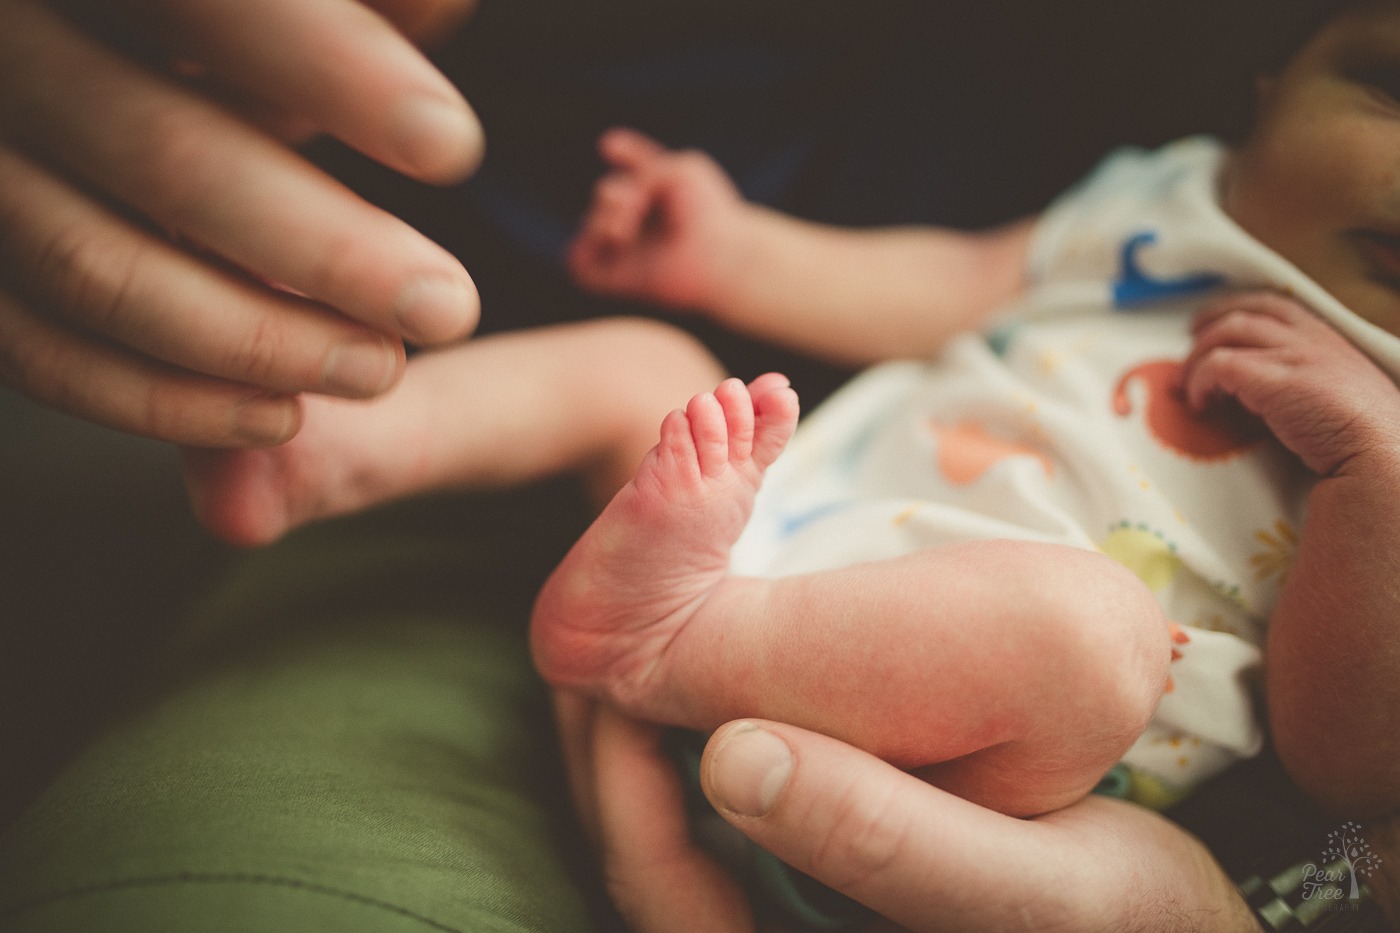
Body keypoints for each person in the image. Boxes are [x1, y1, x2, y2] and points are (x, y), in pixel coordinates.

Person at [0, 1, 1384, 931]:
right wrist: (727, 254)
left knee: (1092, 636)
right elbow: (943, 283)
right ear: (1268, 93)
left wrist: (1374, 495)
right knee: (645, 362)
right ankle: (326, 445)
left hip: (981, 772)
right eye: (1383, 84)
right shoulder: (1162, 203)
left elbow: (1346, 763)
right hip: (779, 542)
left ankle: (666, 649)